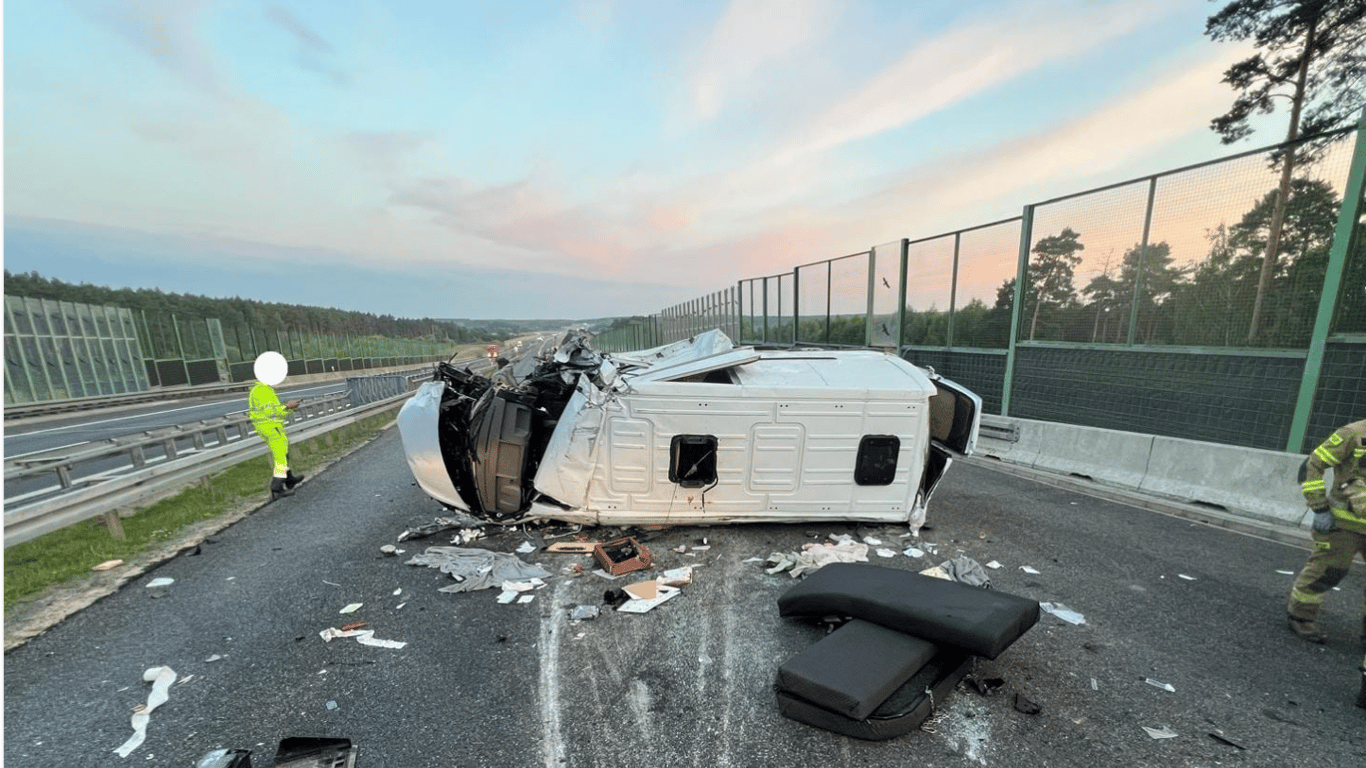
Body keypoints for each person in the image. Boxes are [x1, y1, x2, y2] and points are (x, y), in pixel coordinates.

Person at [1286, 418, 1365, 645]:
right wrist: (1319, 507)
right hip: (1344, 526)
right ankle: (1300, 617)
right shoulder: (1353, 434)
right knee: (1327, 571)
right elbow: (1313, 464)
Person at [249, 351, 305, 501]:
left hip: (270, 426)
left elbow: (274, 412)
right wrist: (287, 407)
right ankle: (277, 488)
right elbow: (271, 412)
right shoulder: (262, 391)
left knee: (283, 454)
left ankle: (289, 479)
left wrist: (288, 408)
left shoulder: (262, 389)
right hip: (270, 427)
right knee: (280, 457)